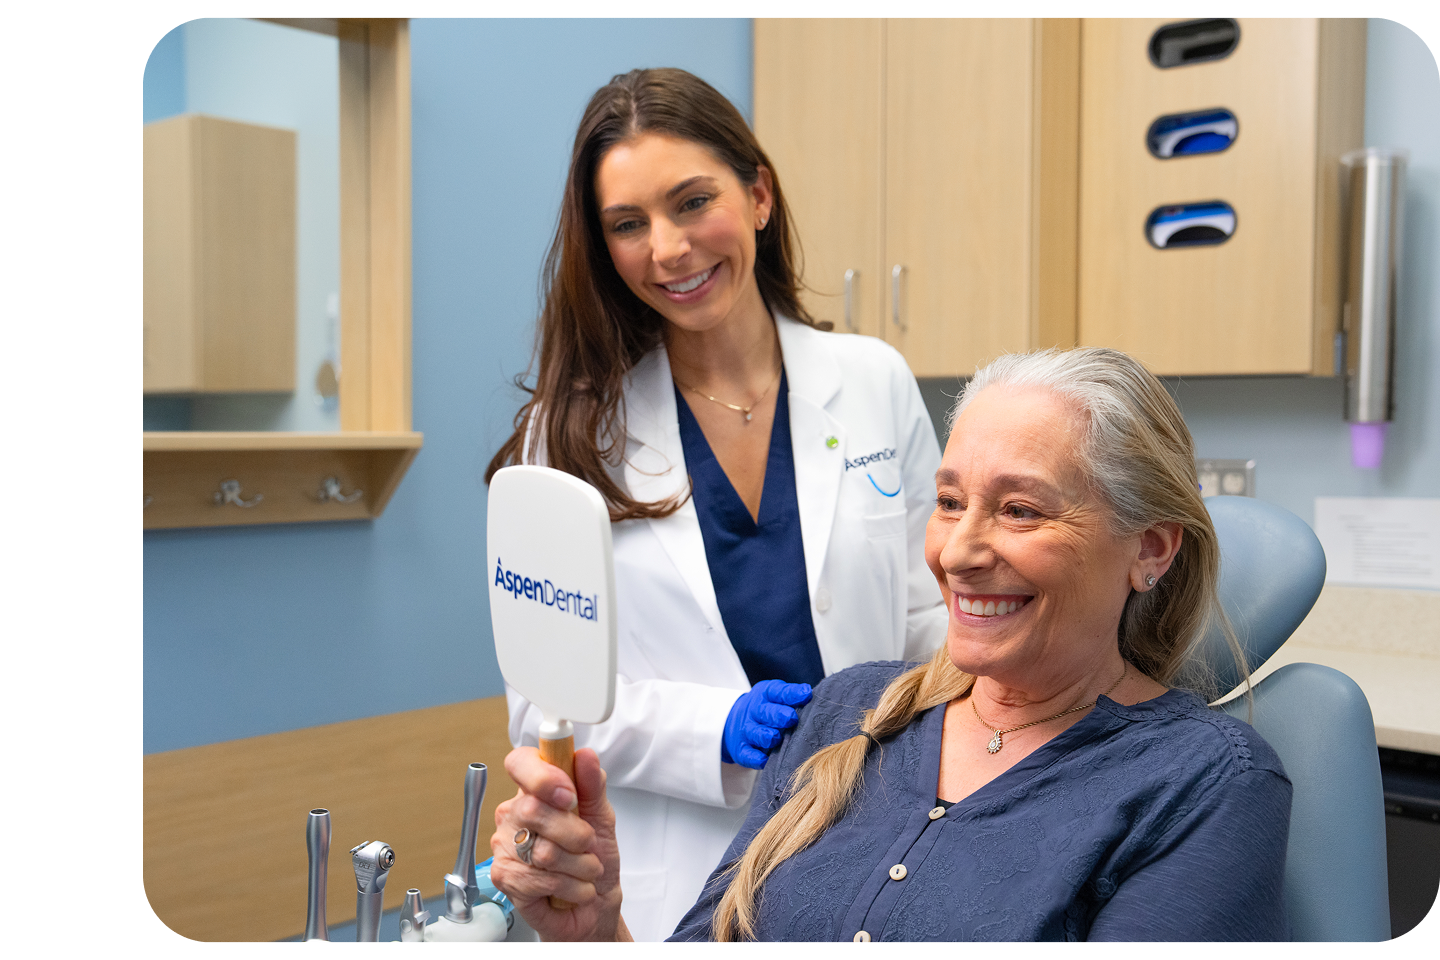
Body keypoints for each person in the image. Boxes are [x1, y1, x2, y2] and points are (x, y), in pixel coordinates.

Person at [488, 346, 1294, 941]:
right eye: (948, 502)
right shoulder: (846, 715)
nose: (959, 550)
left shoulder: (1206, 784)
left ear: (1150, 550)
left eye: (1020, 510)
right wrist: (594, 930)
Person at [483, 67, 946, 940]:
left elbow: (936, 623)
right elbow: (542, 704)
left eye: (692, 202)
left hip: (877, 832)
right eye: (628, 224)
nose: (666, 249)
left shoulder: (873, 381)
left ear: (759, 195)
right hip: (685, 867)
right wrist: (714, 728)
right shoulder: (573, 434)